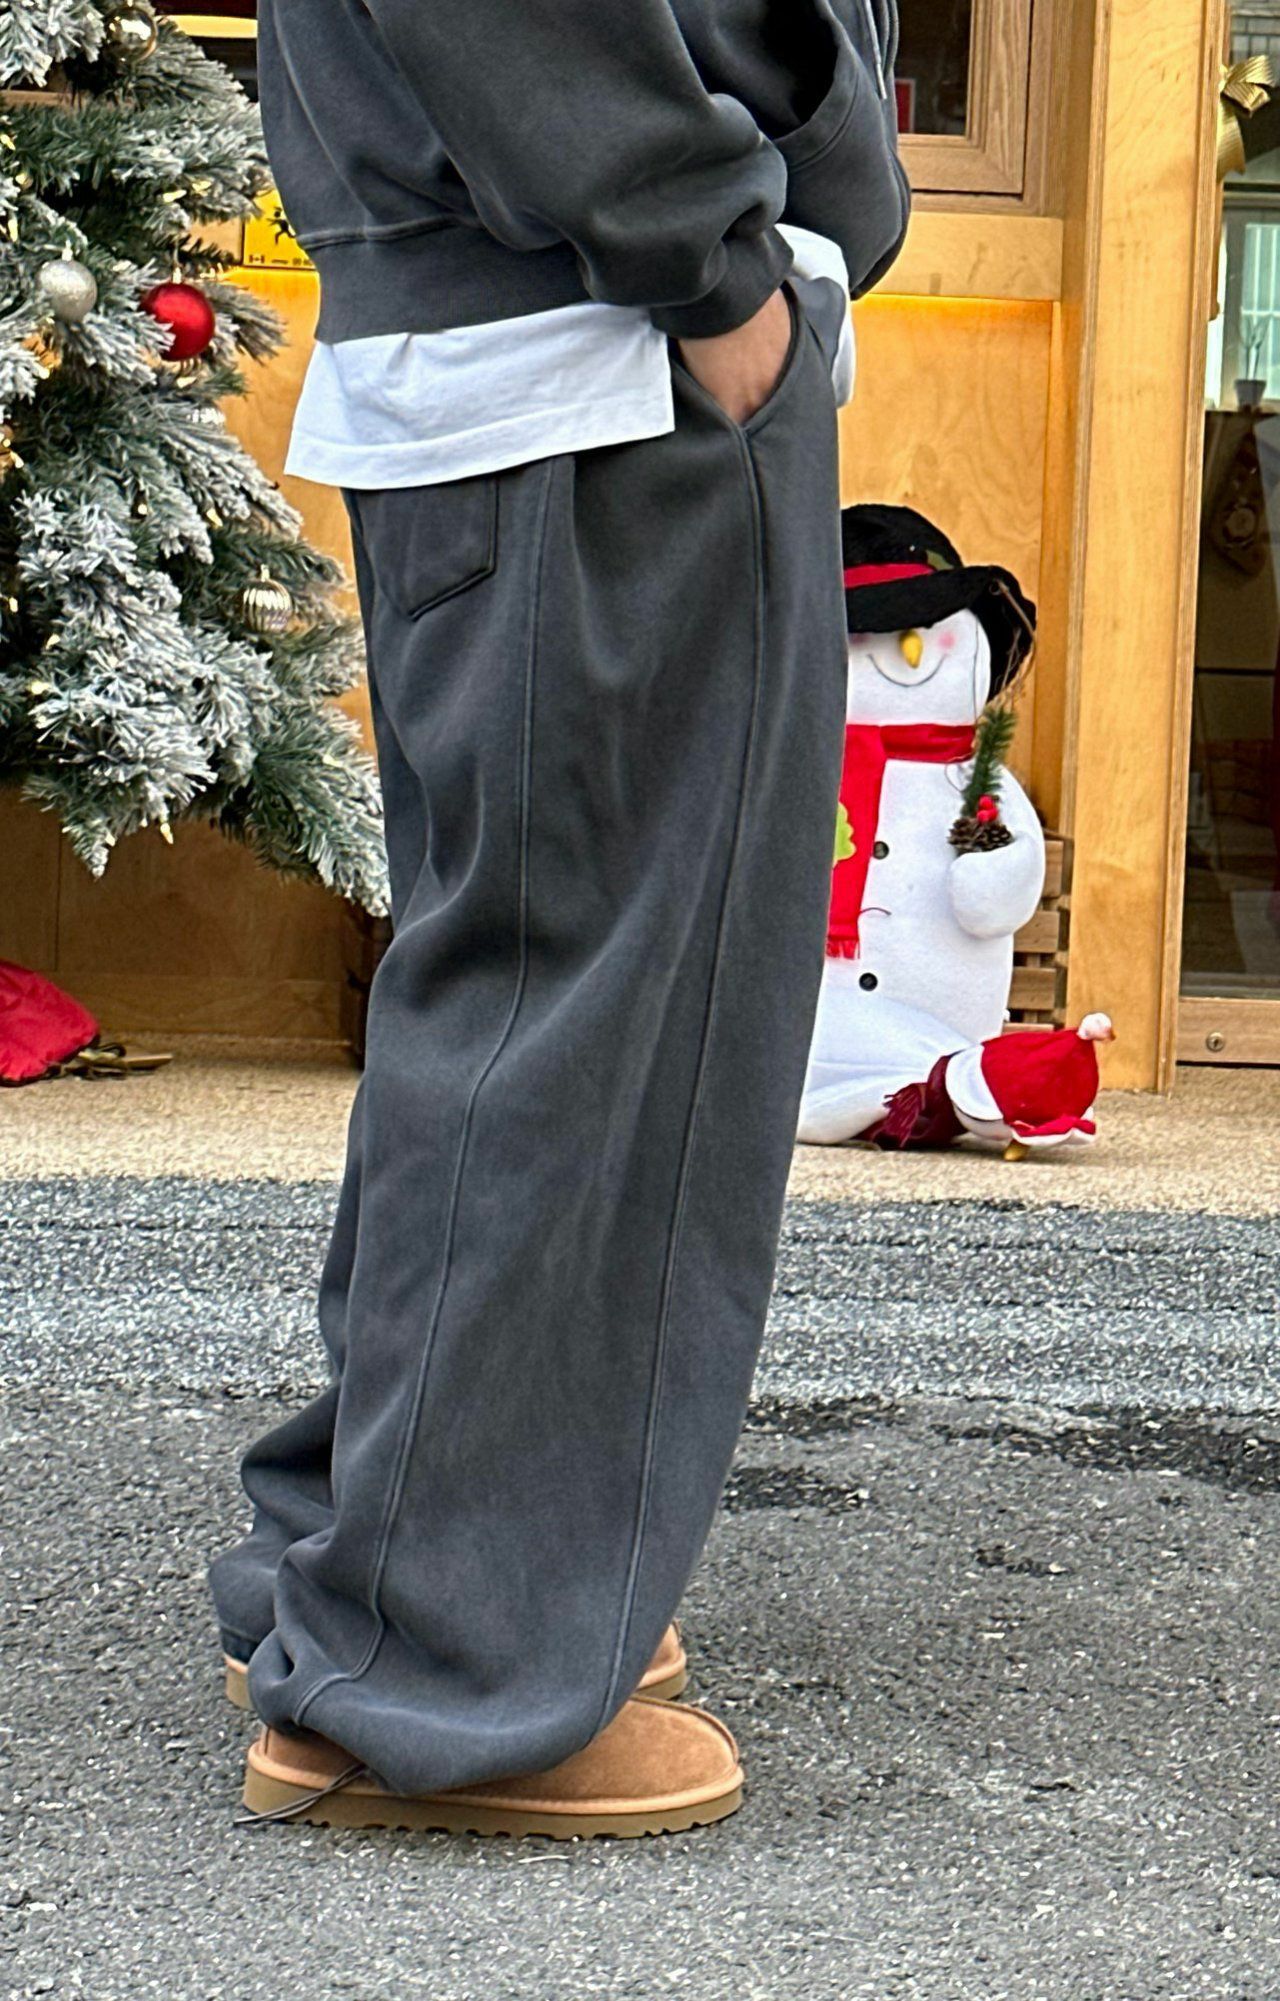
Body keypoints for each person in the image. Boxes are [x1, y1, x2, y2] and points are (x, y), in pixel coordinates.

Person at [211, 0, 907, 1838]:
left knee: (517, 983)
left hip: (549, 323)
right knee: (599, 1015)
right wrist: (713, 263)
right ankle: (439, 1667)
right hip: (614, 333)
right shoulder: (670, 281)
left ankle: (389, 1554)